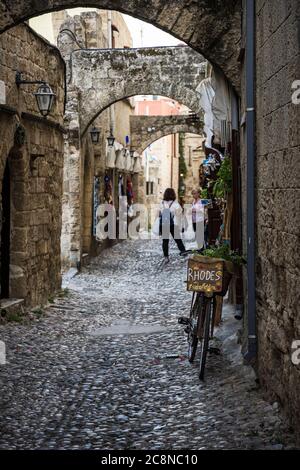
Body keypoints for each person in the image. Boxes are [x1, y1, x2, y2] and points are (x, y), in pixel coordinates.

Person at [159, 188, 186, 263]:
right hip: (172, 224)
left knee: (165, 241)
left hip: (164, 224)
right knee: (178, 239)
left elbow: (159, 213)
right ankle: (183, 252)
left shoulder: (161, 203)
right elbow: (180, 214)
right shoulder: (175, 203)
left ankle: (166, 257)